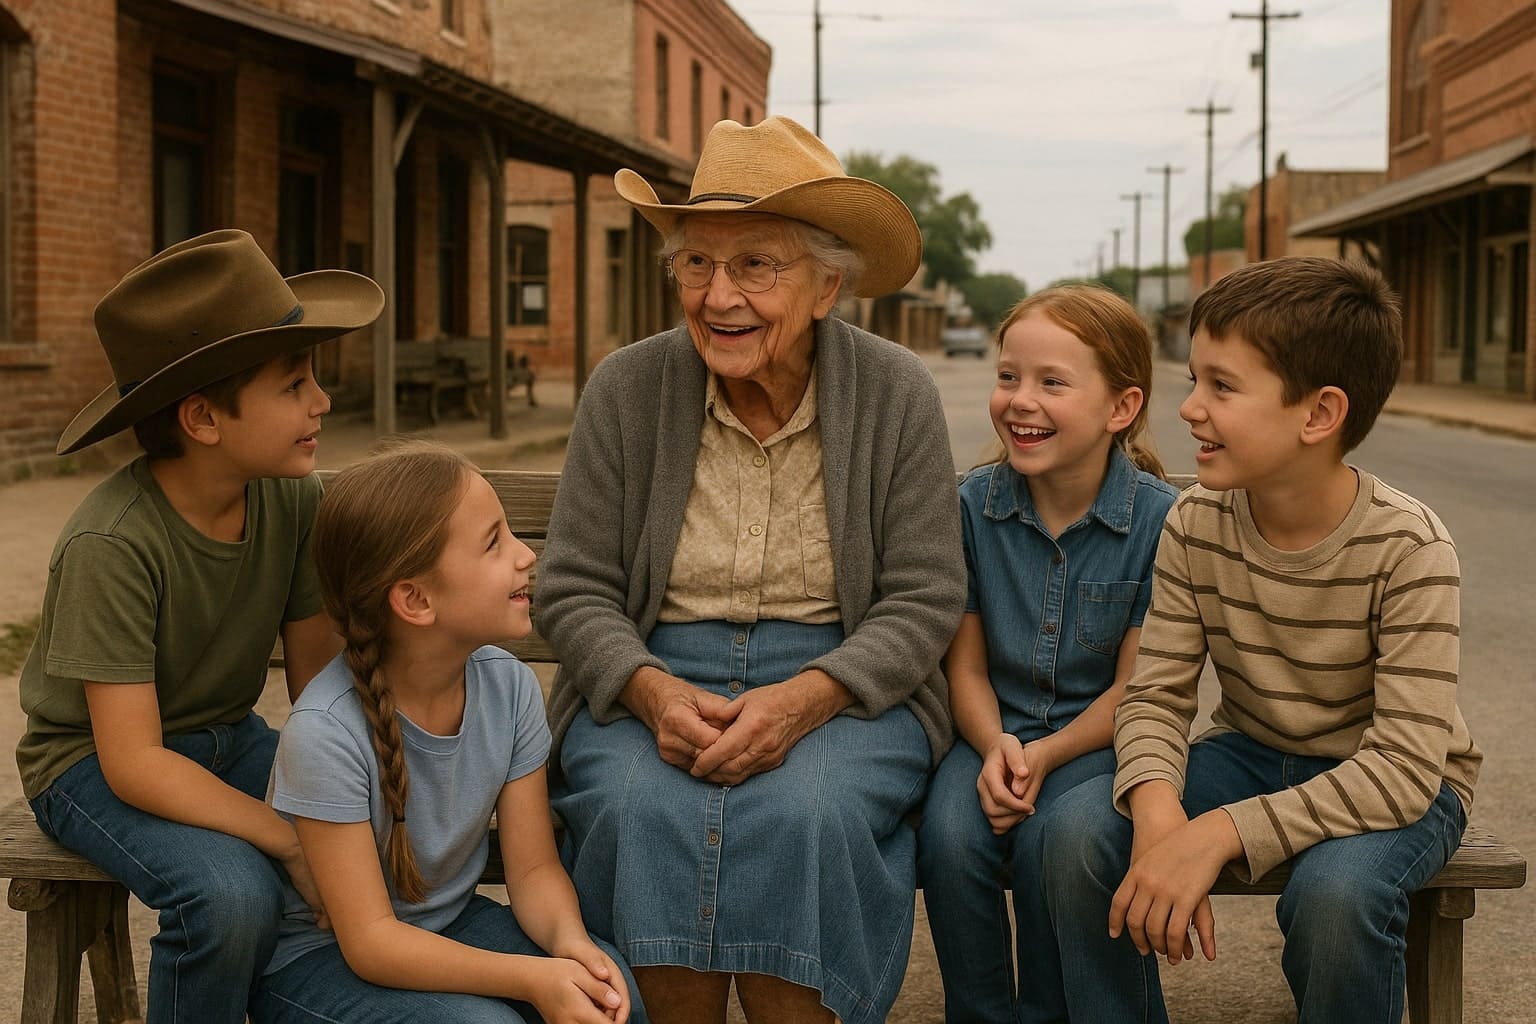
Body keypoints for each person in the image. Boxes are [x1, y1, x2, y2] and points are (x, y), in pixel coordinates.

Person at [536, 115, 966, 1024]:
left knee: (811, 816)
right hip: (653, 672)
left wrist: (807, 696)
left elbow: (925, 596)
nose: (717, 295)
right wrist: (649, 690)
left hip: (842, 684)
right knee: (628, 807)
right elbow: (571, 585)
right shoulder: (627, 387)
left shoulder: (895, 394)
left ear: (826, 287)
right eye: (697, 264)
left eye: (755, 265)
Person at [1044, 257, 1482, 1023]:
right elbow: (1155, 696)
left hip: (1396, 778)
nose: (1189, 409)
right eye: (1194, 380)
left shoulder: (1410, 548)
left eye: (1222, 386)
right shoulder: (1196, 521)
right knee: (1078, 832)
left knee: (1336, 898)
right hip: (1253, 751)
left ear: (1318, 415)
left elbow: (1407, 766)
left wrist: (1216, 832)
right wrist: (1158, 821)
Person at [15, 228, 383, 1024]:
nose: (321, 401)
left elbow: (319, 683)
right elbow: (135, 762)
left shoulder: (292, 500)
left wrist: (342, 795)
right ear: (204, 418)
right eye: (294, 385)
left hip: (223, 736)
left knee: (364, 835)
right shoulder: (111, 544)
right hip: (91, 764)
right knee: (227, 895)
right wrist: (285, 836)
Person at [250, 442, 642, 1024]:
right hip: (318, 965)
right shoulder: (325, 733)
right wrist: (534, 979)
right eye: (494, 543)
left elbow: (532, 870)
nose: (525, 555)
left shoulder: (508, 689)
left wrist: (570, 946)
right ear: (415, 599)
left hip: (448, 925)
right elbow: (371, 943)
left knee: (612, 999)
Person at [917, 286, 1178, 1022]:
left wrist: (1048, 755)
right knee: (948, 833)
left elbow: (1135, 689)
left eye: (1052, 383)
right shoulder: (969, 508)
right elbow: (963, 666)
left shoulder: (1159, 522)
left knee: (1050, 846)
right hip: (989, 729)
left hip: (1098, 741)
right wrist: (996, 744)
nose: (1020, 401)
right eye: (1009, 377)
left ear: (1120, 408)